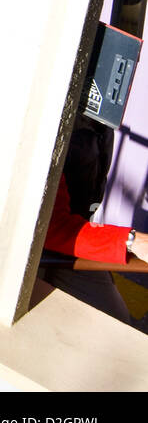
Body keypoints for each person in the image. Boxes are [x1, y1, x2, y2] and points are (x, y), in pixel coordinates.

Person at [42, 118, 148, 323]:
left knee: (117, 324)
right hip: (43, 248)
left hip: (77, 239)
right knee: (113, 330)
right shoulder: (44, 122)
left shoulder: (100, 119)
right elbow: (53, 228)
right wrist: (133, 241)